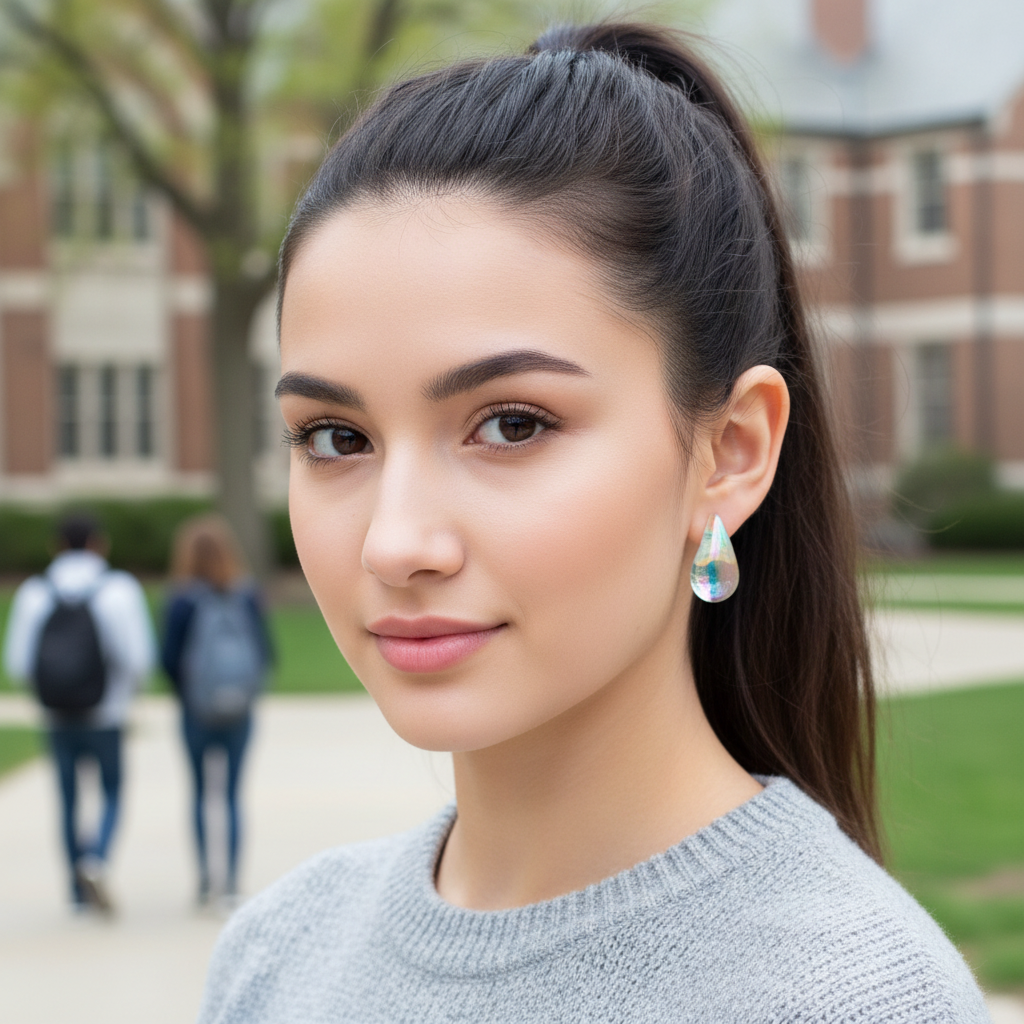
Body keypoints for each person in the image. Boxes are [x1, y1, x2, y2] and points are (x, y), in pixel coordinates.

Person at [197, 23, 988, 1022]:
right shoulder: (277, 956)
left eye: (511, 424)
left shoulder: (852, 1000)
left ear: (730, 451)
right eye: (335, 437)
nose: (393, 543)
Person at [2, 512, 155, 913]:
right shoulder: (118, 590)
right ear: (98, 544)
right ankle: (96, 857)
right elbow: (137, 658)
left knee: (68, 800)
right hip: (107, 712)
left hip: (56, 714)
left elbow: (18, 661)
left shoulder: (35, 592)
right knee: (111, 791)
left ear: (55, 546)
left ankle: (75, 893)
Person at [161, 514, 271, 907]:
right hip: (239, 710)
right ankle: (233, 883)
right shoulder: (247, 594)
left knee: (199, 794)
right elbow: (266, 653)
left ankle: (206, 882)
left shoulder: (181, 600)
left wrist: (188, 693)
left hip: (196, 711)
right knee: (232, 795)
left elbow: (168, 659)